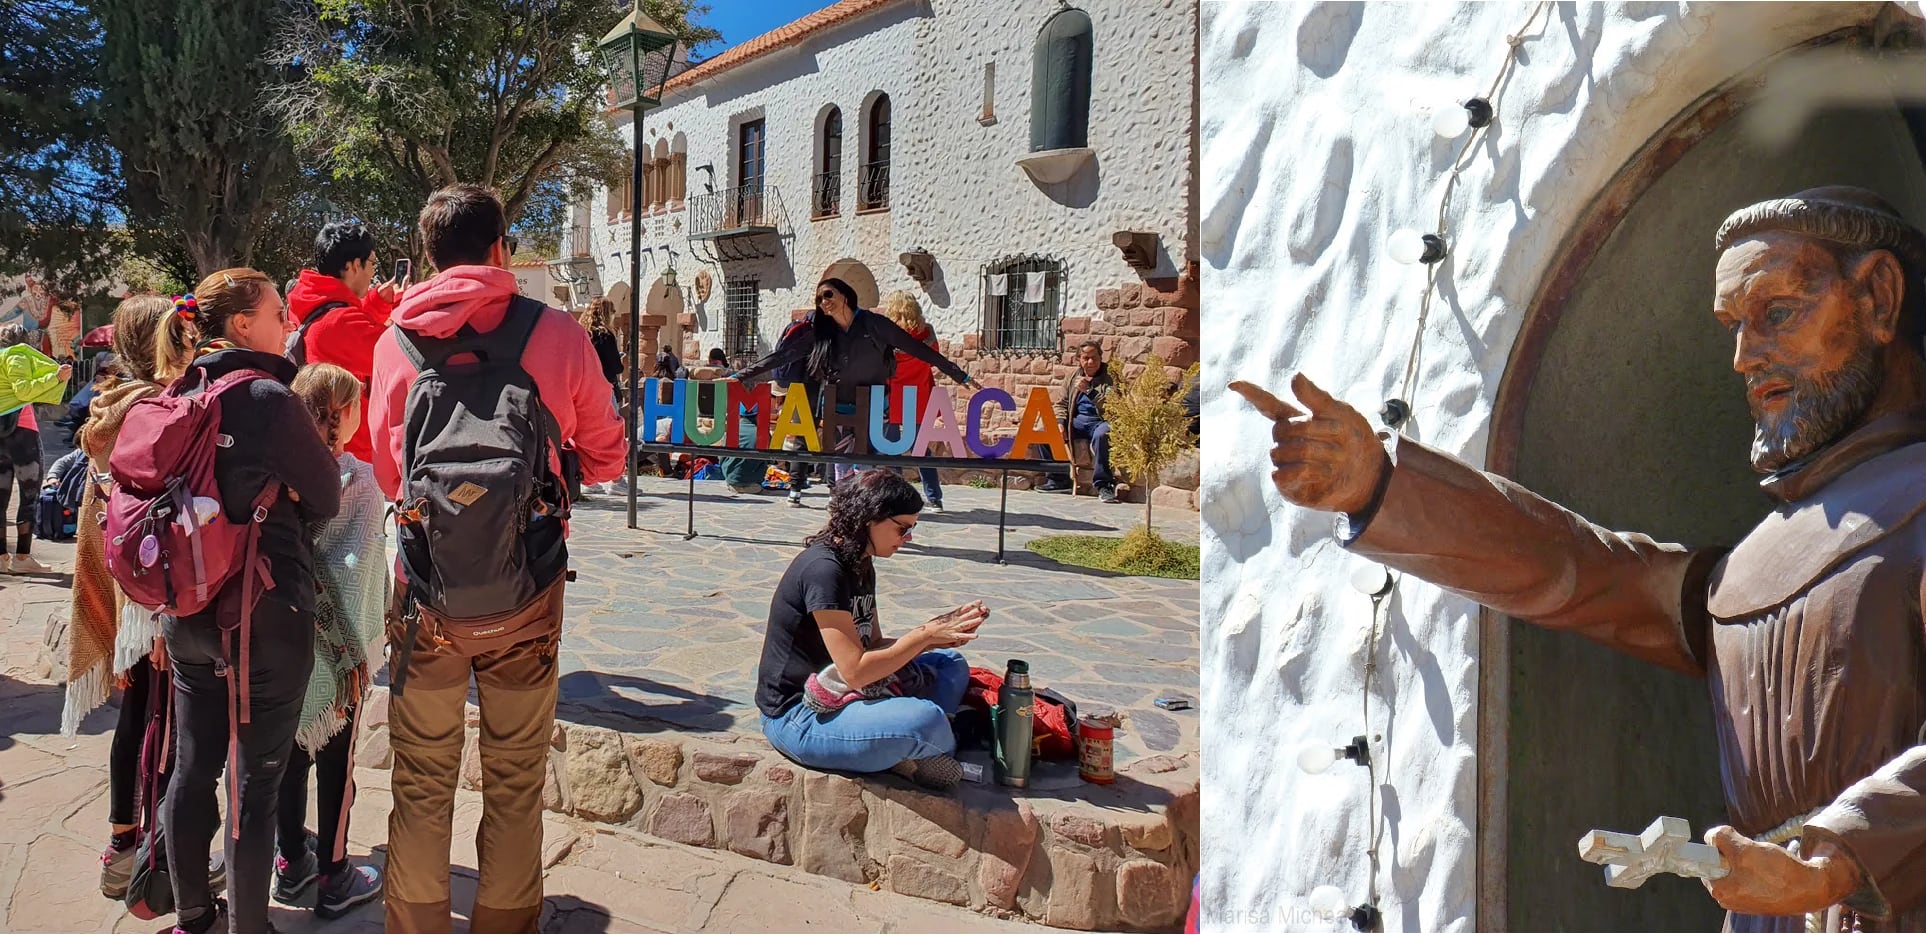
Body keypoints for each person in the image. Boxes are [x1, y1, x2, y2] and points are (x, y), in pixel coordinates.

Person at [1233, 187, 1926, 929]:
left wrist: (1838, 859)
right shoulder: (1753, 563)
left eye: (1777, 313)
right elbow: (1581, 573)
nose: (1743, 356)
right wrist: (1379, 484)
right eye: (1734, 327)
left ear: (1879, 298)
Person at [369, 184, 625, 933]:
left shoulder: (394, 343)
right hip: (528, 593)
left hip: (427, 596)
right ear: (501, 249)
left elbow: (391, 475)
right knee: (514, 778)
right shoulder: (557, 333)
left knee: (421, 778)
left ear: (427, 257)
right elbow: (607, 456)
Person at [158, 269, 343, 935]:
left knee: (192, 768)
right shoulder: (269, 396)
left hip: (185, 609)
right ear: (242, 324)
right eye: (277, 311)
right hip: (264, 611)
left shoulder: (179, 389)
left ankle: (193, 919)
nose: (288, 322)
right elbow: (326, 494)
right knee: (255, 786)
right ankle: (249, 928)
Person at [58, 294, 200, 897]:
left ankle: (124, 843)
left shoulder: (110, 407)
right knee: (160, 725)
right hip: (149, 598)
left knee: (140, 717)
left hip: (127, 593)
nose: (194, 343)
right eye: (185, 333)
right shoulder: (156, 410)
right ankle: (151, 857)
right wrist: (155, 616)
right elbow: (151, 524)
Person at [755, 469, 985, 791]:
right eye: (902, 529)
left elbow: (873, 644)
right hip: (800, 716)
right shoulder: (824, 570)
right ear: (869, 519)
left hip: (849, 695)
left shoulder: (861, 562)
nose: (907, 539)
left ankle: (914, 747)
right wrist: (925, 635)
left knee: (951, 663)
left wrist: (938, 634)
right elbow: (855, 671)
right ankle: (925, 743)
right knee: (925, 719)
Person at [272, 362, 386, 918]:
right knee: (335, 761)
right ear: (341, 413)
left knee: (289, 753)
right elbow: (357, 566)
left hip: (282, 636)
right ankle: (335, 872)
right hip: (337, 653)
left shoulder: (277, 470)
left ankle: (291, 861)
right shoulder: (356, 478)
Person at [730, 277, 973, 487]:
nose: (823, 301)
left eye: (828, 294)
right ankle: (844, 507)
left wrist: (959, 374)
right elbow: (783, 356)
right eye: (819, 298)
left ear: (845, 296)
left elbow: (918, 349)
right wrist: (737, 376)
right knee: (842, 466)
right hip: (838, 405)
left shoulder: (873, 323)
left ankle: (869, 508)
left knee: (868, 463)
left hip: (874, 404)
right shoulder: (825, 332)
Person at [285, 220, 402, 464]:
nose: (372, 272)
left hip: (337, 450)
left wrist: (378, 303)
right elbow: (400, 353)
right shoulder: (340, 322)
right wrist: (407, 305)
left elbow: (355, 329)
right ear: (352, 266)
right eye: (371, 263)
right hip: (357, 460)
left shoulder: (317, 306)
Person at [0, 322, 72, 573]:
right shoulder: (17, 354)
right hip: (21, 431)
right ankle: (22, 558)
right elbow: (24, 391)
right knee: (29, 495)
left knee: (0, 497)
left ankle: (1, 558)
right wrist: (55, 377)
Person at [879, 291, 945, 511]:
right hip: (920, 396)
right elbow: (934, 359)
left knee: (891, 448)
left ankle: (896, 497)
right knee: (922, 448)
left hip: (894, 396)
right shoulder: (927, 333)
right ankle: (934, 498)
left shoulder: (888, 335)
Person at [1040, 341, 1119, 503]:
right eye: (1086, 358)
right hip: (1077, 422)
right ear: (1079, 360)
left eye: (1094, 358)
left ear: (1100, 358)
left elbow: (1114, 406)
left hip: (1101, 421)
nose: (1090, 362)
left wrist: (1089, 391)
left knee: (1102, 435)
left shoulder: (1111, 376)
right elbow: (1061, 403)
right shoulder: (1073, 377)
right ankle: (1058, 479)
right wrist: (1060, 422)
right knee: (1044, 431)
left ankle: (1104, 485)